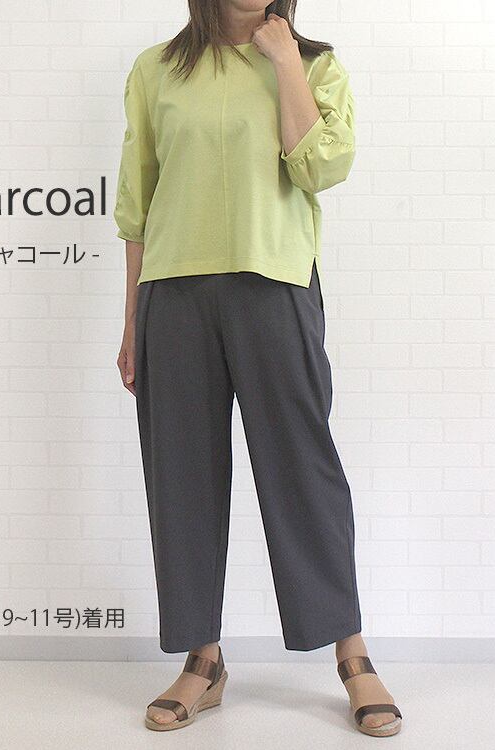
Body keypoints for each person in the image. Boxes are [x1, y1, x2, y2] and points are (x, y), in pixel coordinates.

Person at [115, 0, 402, 738]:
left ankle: (352, 655)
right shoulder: (157, 69)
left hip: (275, 282)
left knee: (304, 469)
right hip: (173, 291)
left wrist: (283, 61)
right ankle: (202, 660)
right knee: (181, 477)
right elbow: (137, 201)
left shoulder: (313, 64)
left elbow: (321, 166)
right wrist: (132, 318)